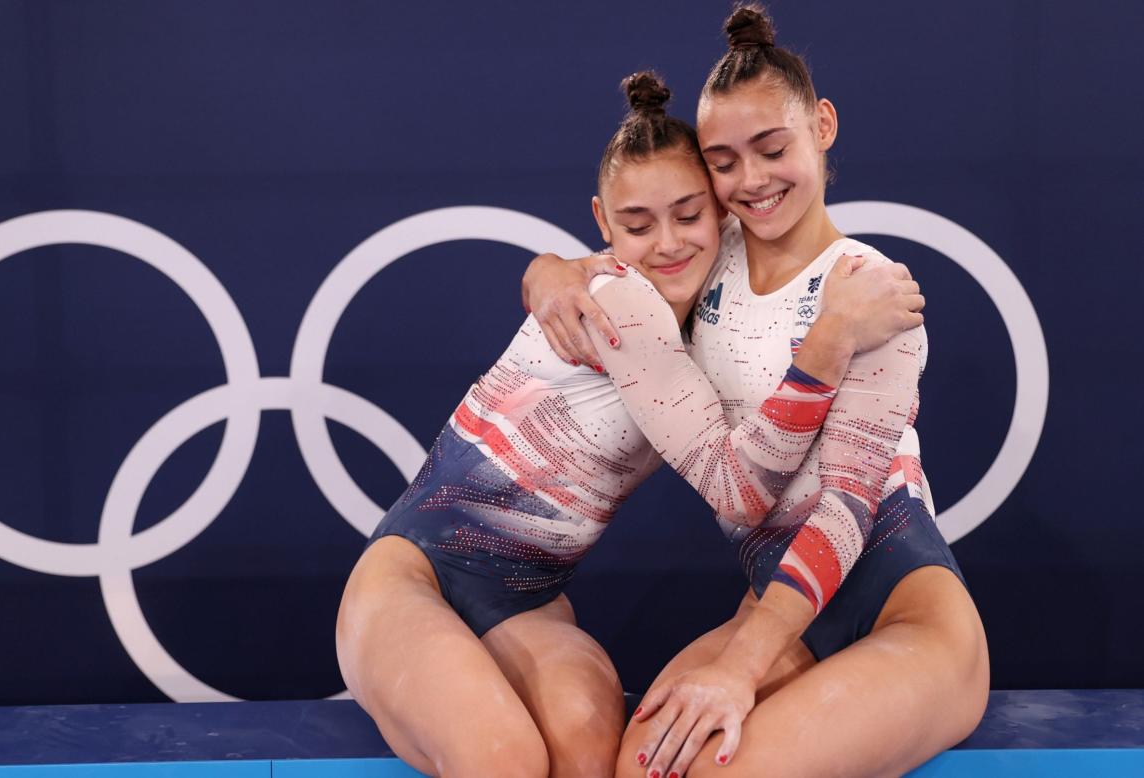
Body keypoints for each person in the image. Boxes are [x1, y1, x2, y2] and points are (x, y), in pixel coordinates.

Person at [336, 69, 920, 778]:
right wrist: (829, 339)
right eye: (638, 225)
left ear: (721, 214)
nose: (668, 242)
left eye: (687, 214)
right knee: (504, 761)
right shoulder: (621, 300)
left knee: (590, 762)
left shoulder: (717, 293)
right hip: (413, 573)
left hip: (529, 603)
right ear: (605, 224)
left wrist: (548, 267)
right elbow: (738, 489)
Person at [523, 6, 989, 777]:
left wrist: (738, 672)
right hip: (782, 611)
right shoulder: (707, 253)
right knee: (643, 764)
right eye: (724, 162)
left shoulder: (872, 292)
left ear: (823, 127)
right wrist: (548, 272)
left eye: (772, 149)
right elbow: (612, 253)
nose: (753, 182)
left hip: (905, 612)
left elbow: (845, 509)